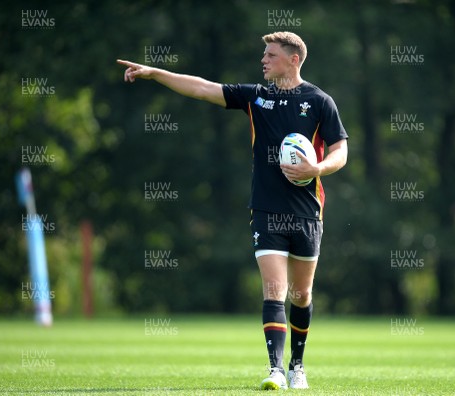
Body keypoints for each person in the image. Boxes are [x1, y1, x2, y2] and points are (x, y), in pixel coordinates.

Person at [117, 31, 348, 390]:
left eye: (271, 55)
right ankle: (275, 369)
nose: (263, 60)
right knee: (274, 288)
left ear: (294, 60)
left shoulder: (319, 102)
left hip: (306, 212)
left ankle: (297, 366)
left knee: (301, 295)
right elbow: (202, 88)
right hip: (266, 209)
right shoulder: (257, 96)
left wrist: (316, 169)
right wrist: (155, 72)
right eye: (264, 54)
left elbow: (340, 152)